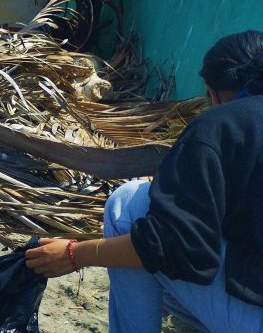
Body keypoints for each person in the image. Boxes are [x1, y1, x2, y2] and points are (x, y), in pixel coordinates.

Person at [26, 30, 263, 332]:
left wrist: (75, 254)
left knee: (129, 205)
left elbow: (172, 243)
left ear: (213, 93)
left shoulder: (222, 125)